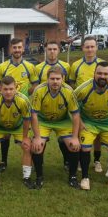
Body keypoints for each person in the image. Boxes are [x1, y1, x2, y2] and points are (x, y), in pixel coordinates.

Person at [74, 61, 108, 191]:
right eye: (99, 73)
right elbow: (72, 105)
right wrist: (80, 122)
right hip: (88, 123)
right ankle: (85, 178)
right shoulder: (83, 88)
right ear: (94, 73)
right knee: (85, 148)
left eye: (106, 74)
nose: (102, 76)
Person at [31, 66, 81, 189]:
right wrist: (37, 137)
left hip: (62, 121)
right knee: (37, 147)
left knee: (74, 146)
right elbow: (34, 115)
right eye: (52, 78)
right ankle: (39, 177)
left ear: (63, 79)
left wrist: (75, 137)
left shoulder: (69, 91)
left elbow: (75, 115)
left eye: (58, 78)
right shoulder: (39, 90)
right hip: (43, 121)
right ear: (47, 79)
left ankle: (72, 177)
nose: (55, 81)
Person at [0, 38, 39, 172]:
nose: (17, 50)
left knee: (25, 138)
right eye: (14, 47)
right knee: (5, 134)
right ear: (10, 49)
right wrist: (8, 94)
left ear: (23, 49)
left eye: (19, 47)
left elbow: (35, 85)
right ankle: (3, 161)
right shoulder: (3, 66)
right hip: (6, 105)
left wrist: (23, 95)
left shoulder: (30, 67)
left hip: (23, 108)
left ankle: (31, 166)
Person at [0, 76, 34, 189]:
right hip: (0, 127)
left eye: (11, 89)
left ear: (16, 88)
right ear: (0, 89)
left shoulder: (23, 100)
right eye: (5, 89)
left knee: (27, 147)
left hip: (18, 127)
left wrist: (26, 137)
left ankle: (26, 177)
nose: (8, 92)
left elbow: (27, 120)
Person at [69, 36, 104, 173]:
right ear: (83, 48)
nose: (90, 49)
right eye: (87, 46)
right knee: (79, 132)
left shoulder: (102, 64)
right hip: (81, 107)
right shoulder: (76, 65)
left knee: (98, 136)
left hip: (99, 104)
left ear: (96, 47)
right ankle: (79, 160)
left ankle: (97, 160)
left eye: (92, 46)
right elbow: (72, 84)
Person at [35, 41, 71, 171]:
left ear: (59, 50)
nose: (52, 51)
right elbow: (37, 88)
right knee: (40, 139)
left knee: (63, 139)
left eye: (54, 49)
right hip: (45, 109)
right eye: (49, 49)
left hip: (62, 109)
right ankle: (39, 163)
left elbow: (69, 87)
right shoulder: (38, 68)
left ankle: (67, 161)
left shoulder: (66, 66)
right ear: (45, 50)